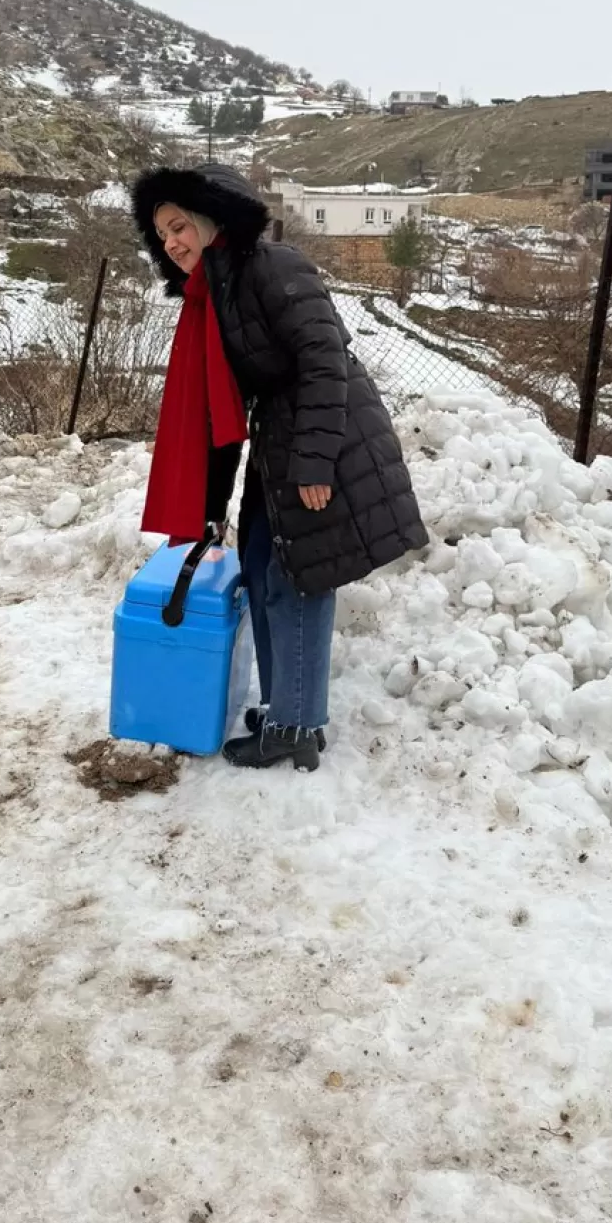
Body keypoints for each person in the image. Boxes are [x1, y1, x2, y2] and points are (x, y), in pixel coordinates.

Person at [131, 163, 428, 772]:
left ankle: (296, 726)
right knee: (264, 568)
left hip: (329, 439)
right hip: (281, 440)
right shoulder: (214, 296)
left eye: (179, 226)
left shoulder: (274, 266)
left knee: (299, 578)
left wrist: (315, 464)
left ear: (212, 219)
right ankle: (285, 707)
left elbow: (325, 361)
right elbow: (219, 412)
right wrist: (211, 509)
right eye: (162, 235)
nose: (172, 243)